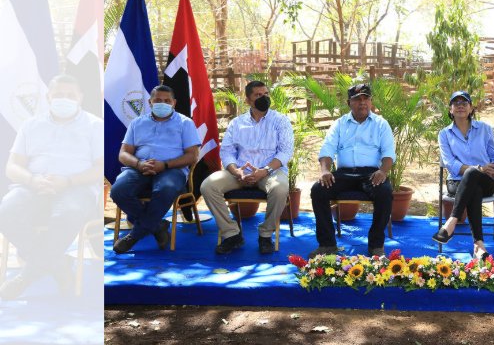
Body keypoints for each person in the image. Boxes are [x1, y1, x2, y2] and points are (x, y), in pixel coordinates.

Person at [0, 75, 102, 299]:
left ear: (80, 98)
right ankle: (59, 263)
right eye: (58, 95)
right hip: (32, 185)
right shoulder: (30, 125)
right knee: (5, 212)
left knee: (68, 214)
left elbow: (99, 169)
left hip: (76, 187)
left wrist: (67, 181)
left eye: (70, 95)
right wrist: (32, 180)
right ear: (48, 97)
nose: (63, 99)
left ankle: (25, 277)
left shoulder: (95, 126)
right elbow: (13, 166)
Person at [201, 80, 294, 255]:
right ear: (248, 100)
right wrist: (236, 171)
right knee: (208, 185)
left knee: (280, 188)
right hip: (240, 172)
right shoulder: (237, 123)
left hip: (269, 171)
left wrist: (264, 171)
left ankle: (265, 235)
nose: (264, 98)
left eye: (266, 94)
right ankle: (231, 234)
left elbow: (285, 152)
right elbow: (227, 151)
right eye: (258, 95)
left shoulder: (280, 121)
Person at [307, 83, 396, 258]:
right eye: (357, 99)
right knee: (318, 190)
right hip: (344, 174)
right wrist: (325, 170)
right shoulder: (339, 124)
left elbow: (388, 154)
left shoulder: (381, 124)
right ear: (349, 103)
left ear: (371, 102)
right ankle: (327, 244)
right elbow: (327, 150)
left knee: (385, 192)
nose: (362, 102)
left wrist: (383, 171)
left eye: (366, 98)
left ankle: (376, 245)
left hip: (371, 174)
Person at [110, 84, 200, 254]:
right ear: (150, 102)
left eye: (167, 101)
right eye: (158, 100)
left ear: (174, 103)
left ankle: (134, 236)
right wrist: (139, 164)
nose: (162, 103)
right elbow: (123, 154)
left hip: (172, 169)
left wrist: (164, 165)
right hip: (139, 168)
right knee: (118, 190)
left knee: (165, 189)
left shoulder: (185, 123)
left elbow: (192, 156)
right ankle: (158, 226)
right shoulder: (137, 123)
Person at [432, 91, 494, 260]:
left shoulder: (485, 129)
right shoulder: (444, 134)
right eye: (455, 103)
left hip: (487, 181)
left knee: (474, 178)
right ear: (450, 110)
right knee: (473, 183)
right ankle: (478, 246)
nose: (460, 105)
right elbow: (450, 164)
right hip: (457, 182)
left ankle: (451, 222)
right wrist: (478, 168)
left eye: (464, 102)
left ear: (471, 108)